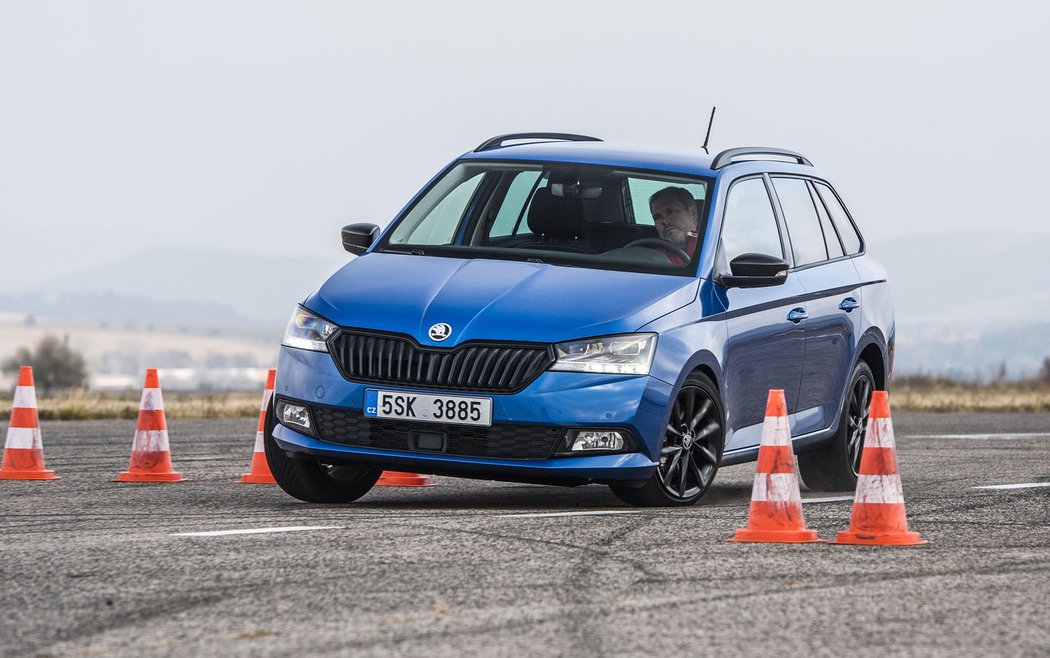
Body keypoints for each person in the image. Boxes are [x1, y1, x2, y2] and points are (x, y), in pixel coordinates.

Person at [649, 186, 700, 264]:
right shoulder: (655, 257)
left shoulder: (715, 246)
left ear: (692, 212)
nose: (664, 220)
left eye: (670, 211)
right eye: (657, 217)